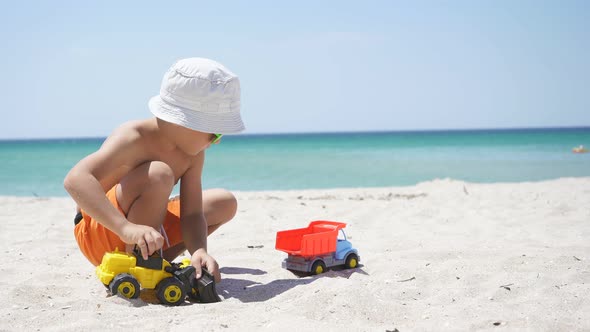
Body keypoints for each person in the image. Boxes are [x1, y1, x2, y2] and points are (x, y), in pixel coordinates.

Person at [64, 58, 244, 282]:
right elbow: (75, 179)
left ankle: (151, 258)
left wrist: (198, 250)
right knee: (158, 174)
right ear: (185, 122)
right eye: (215, 133)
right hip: (102, 231)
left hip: (145, 231)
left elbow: (192, 214)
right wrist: (125, 228)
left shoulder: (193, 153)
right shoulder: (133, 137)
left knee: (224, 202)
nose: (216, 141)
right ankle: (139, 262)